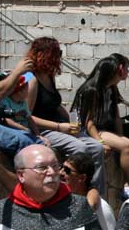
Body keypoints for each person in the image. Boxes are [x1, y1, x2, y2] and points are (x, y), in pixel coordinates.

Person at [19, 38, 107, 192]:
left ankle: (96, 192)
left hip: (59, 125)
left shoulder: (49, 76)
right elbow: (27, 115)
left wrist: (72, 121)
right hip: (43, 129)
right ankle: (69, 191)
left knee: (97, 147)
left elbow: (56, 104)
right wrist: (60, 126)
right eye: (57, 53)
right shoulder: (31, 79)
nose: (59, 57)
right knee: (80, 148)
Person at [71, 53, 129, 185]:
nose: (128, 72)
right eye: (126, 68)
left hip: (103, 128)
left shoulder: (111, 89)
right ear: (119, 69)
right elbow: (88, 122)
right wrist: (101, 142)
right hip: (90, 131)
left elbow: (115, 115)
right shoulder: (92, 90)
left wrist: (120, 135)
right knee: (126, 147)